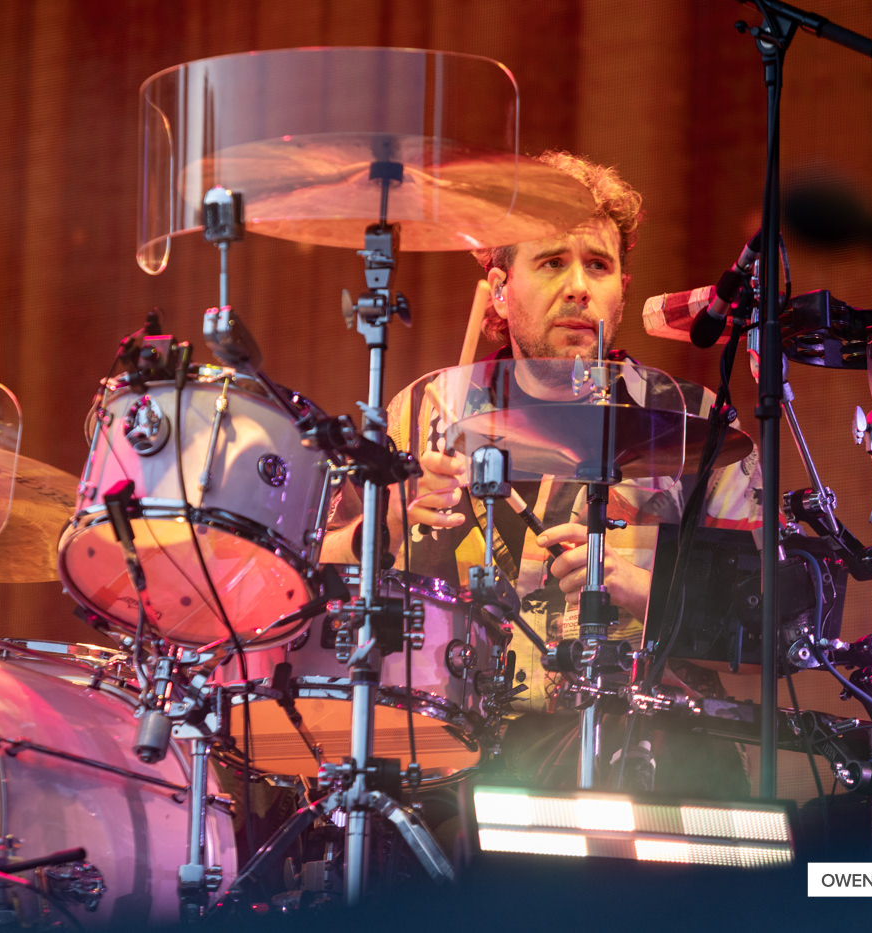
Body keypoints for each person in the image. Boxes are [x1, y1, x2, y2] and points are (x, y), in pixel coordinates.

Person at [322, 150, 760, 797]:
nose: (579, 286)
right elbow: (312, 586)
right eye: (553, 261)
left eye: (599, 265)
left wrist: (650, 588)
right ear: (499, 288)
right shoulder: (421, 413)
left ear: (623, 287)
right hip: (451, 765)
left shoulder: (694, 423)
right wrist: (387, 519)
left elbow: (775, 625)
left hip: (651, 763)